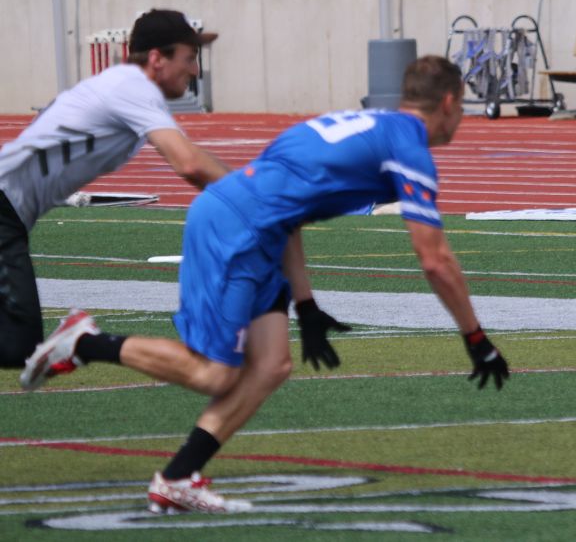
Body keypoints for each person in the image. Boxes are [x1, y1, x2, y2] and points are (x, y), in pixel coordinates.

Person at [20, 55, 509, 515]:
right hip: (237, 231)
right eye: (461, 107)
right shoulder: (409, 147)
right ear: (448, 102)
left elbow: (288, 205)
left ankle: (178, 478)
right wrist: (475, 337)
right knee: (214, 375)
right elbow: (435, 259)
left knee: (272, 364)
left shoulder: (357, 125)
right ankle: (85, 342)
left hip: (258, 229)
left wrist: (307, 305)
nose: (461, 118)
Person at [1, 9, 228, 374]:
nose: (195, 70)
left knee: (17, 347)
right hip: (3, 209)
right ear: (157, 58)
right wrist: (255, 196)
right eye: (189, 58)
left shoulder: (126, 87)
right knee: (17, 347)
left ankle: (80, 342)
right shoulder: (133, 88)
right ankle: (81, 341)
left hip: (9, 214)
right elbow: (189, 164)